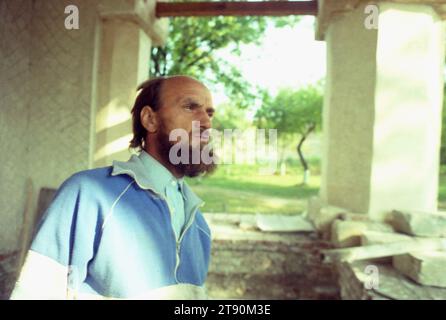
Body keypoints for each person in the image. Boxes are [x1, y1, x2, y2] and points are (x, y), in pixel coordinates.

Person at [11, 75, 217, 299]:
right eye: (190, 107)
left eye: (209, 113)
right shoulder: (87, 194)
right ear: (150, 119)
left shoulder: (199, 225)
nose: (206, 123)